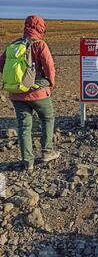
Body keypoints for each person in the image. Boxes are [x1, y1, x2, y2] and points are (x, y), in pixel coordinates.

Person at [0, 16, 60, 172]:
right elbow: (49, 66)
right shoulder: (40, 45)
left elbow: (1, 66)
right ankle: (47, 152)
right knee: (47, 118)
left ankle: (28, 162)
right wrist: (51, 83)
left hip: (16, 94)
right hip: (38, 92)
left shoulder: (14, 45)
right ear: (41, 28)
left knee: (24, 126)